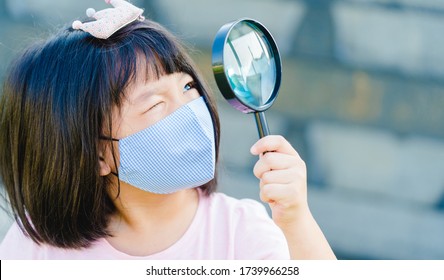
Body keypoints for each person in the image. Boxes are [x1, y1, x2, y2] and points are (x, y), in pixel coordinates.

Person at [0, 0, 335, 259]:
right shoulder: (36, 247)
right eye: (155, 104)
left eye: (188, 88)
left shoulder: (240, 232)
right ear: (96, 154)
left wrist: (295, 218)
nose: (189, 110)